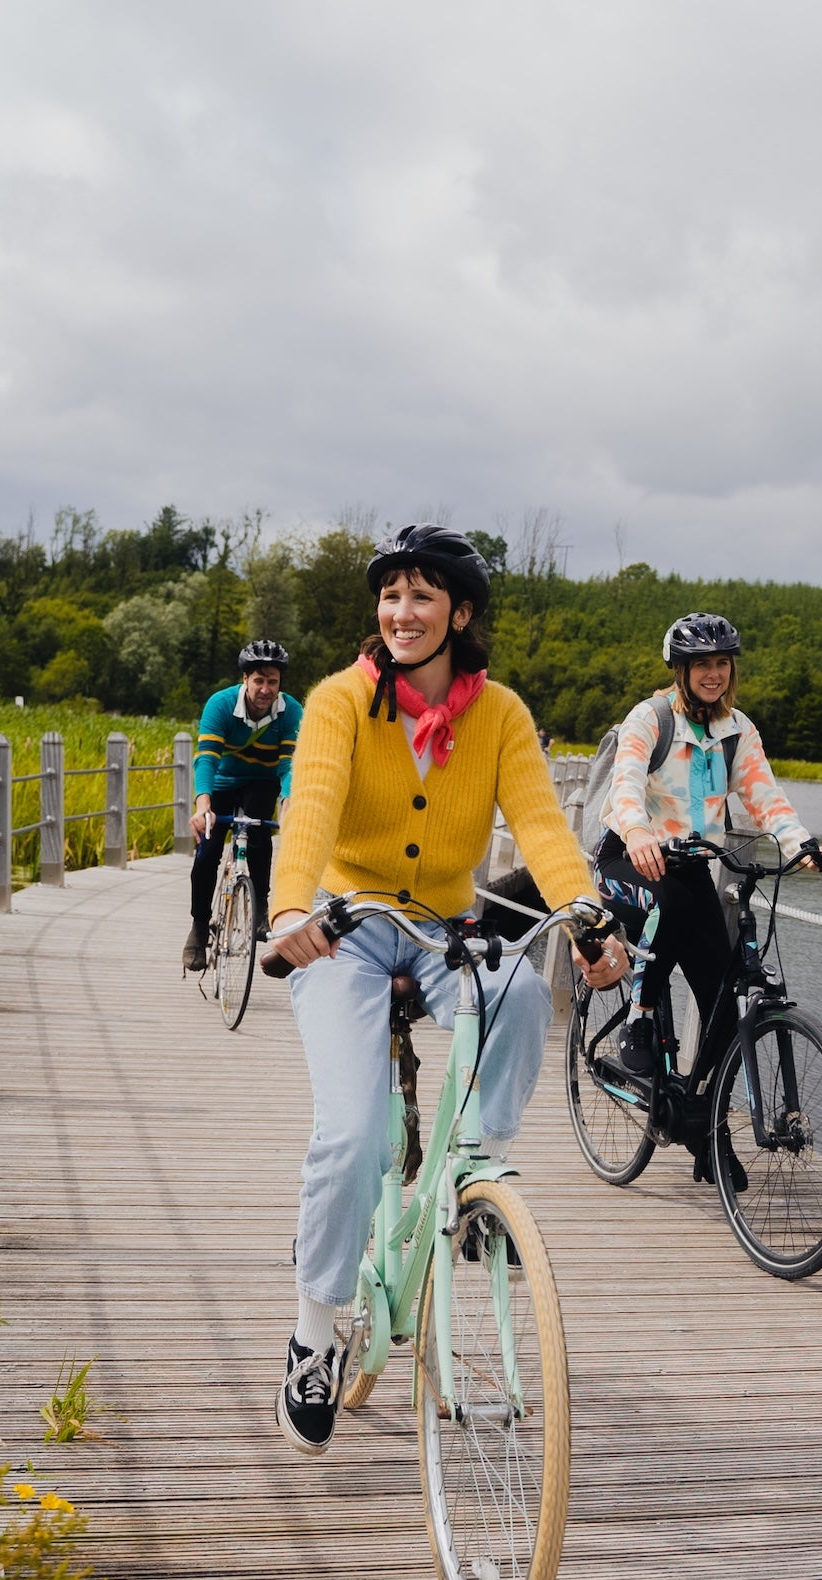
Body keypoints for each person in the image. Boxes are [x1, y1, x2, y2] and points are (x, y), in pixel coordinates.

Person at [263, 525, 624, 1455]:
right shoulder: (344, 700)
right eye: (390, 596)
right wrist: (287, 912)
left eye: (423, 597)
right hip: (343, 926)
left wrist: (586, 913)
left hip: (443, 925)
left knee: (511, 989)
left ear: (460, 613)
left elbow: (542, 826)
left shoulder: (499, 713)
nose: (402, 613)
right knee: (346, 1134)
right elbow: (310, 807)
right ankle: (315, 1333)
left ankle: (473, 1168)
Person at [596, 611, 822, 1178]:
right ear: (681, 670)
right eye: (701, 664)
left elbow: (766, 796)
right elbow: (627, 784)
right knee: (670, 904)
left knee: (725, 1004)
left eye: (721, 663)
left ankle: (705, 1130)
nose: (713, 674)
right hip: (628, 861)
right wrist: (637, 832)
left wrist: (802, 843)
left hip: (690, 870)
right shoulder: (651, 718)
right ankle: (637, 1020)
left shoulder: (738, 731)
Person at [184, 640, 300, 971]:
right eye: (259, 680)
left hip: (262, 781)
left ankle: (260, 907)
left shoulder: (291, 711)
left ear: (281, 684)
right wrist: (203, 803)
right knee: (207, 850)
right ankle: (198, 927)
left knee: (260, 834)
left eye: (273, 682)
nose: (266, 689)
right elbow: (206, 758)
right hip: (222, 780)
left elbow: (289, 764)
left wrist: (288, 801)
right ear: (245, 680)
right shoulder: (220, 705)